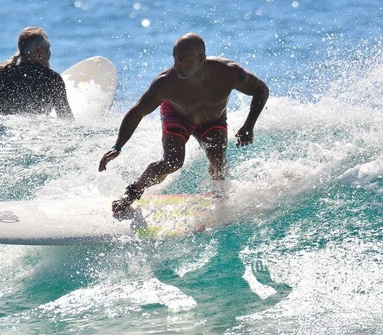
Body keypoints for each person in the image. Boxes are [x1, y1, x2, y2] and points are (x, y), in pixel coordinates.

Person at [98, 33, 269, 218]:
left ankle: (221, 200)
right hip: (178, 116)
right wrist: (118, 146)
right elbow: (138, 111)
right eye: (175, 58)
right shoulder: (165, 83)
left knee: (218, 160)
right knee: (172, 161)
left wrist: (249, 125)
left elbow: (261, 90)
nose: (177, 64)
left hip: (213, 119)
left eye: (184, 59)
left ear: (201, 58)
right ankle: (132, 193)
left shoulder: (229, 73)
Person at [0, 27, 73, 118]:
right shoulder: (52, 79)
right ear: (40, 52)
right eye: (47, 49)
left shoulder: (0, 74)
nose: (49, 53)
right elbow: (66, 118)